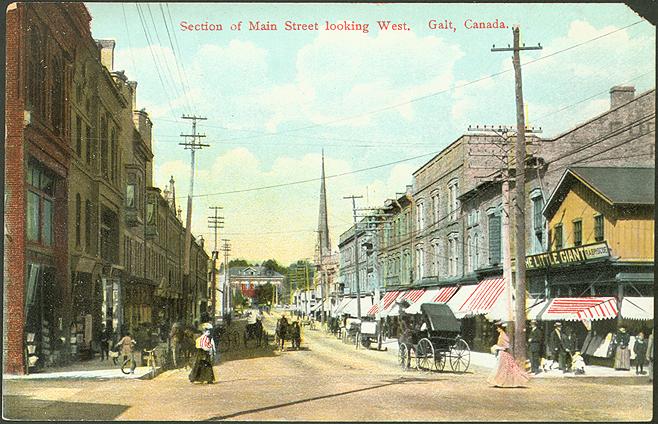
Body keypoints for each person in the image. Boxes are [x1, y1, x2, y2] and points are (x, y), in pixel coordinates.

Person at [487, 322, 531, 388]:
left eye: (498, 328)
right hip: (503, 353)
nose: (497, 330)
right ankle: (501, 381)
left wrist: (496, 347)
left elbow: (506, 346)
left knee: (503, 368)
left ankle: (501, 381)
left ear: (501, 329)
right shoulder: (502, 335)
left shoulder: (503, 336)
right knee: (503, 368)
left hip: (503, 354)